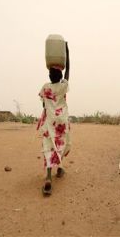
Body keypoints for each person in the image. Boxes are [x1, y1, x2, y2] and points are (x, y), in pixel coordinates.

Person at [37, 42, 71, 196]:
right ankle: (60, 169)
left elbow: (44, 105)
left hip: (50, 122)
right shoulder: (63, 86)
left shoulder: (45, 88)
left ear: (49, 76)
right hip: (62, 122)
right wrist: (67, 53)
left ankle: (49, 178)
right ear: (60, 76)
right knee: (61, 144)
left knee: (48, 147)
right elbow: (68, 72)